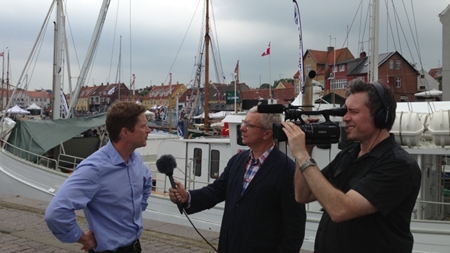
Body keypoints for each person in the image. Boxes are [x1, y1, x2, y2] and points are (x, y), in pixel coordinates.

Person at [282, 80, 421, 253]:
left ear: (380, 116)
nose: (345, 118)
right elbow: (303, 195)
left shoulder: (398, 165)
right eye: (344, 111)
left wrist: (302, 155)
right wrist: (307, 149)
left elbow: (340, 210)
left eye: (353, 112)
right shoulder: (349, 153)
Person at [169, 106, 306, 253]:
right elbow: (216, 191)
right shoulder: (238, 161)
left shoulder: (287, 170)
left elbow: (294, 226)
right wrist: (187, 197)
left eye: (249, 125)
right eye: (243, 122)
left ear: (267, 134)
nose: (242, 128)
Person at [44, 101, 153, 253]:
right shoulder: (94, 169)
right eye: (143, 126)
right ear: (125, 132)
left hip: (135, 247)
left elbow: (147, 182)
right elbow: (55, 213)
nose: (149, 130)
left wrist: (135, 211)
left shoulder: (135, 160)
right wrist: (83, 238)